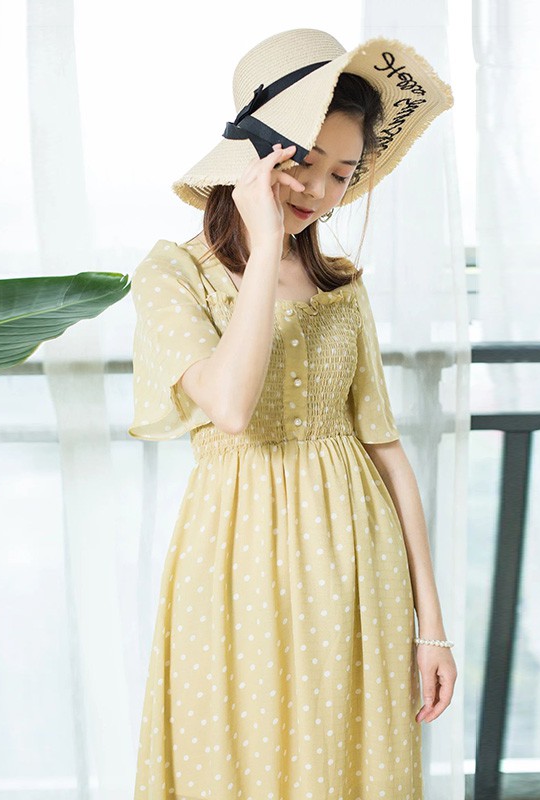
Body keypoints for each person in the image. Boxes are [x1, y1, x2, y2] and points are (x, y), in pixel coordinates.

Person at [128, 28, 457, 800]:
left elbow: (385, 449)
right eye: (304, 161)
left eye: (343, 174)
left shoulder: (341, 286)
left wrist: (432, 628)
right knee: (233, 760)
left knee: (348, 764)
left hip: (357, 558)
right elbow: (230, 406)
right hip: (233, 554)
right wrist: (265, 242)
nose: (319, 190)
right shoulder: (173, 274)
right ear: (255, 152)